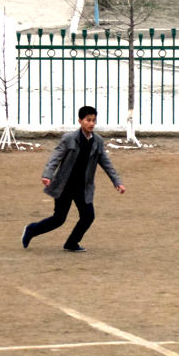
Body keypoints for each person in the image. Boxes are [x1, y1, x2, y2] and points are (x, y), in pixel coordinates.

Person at [22, 106, 126, 252]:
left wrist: (117, 182)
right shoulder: (69, 138)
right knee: (59, 219)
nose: (91, 123)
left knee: (88, 216)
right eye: (88, 120)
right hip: (65, 185)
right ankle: (31, 230)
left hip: (83, 187)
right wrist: (47, 174)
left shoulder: (97, 141)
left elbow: (106, 163)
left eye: (93, 120)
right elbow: (55, 157)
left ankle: (71, 243)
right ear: (80, 121)